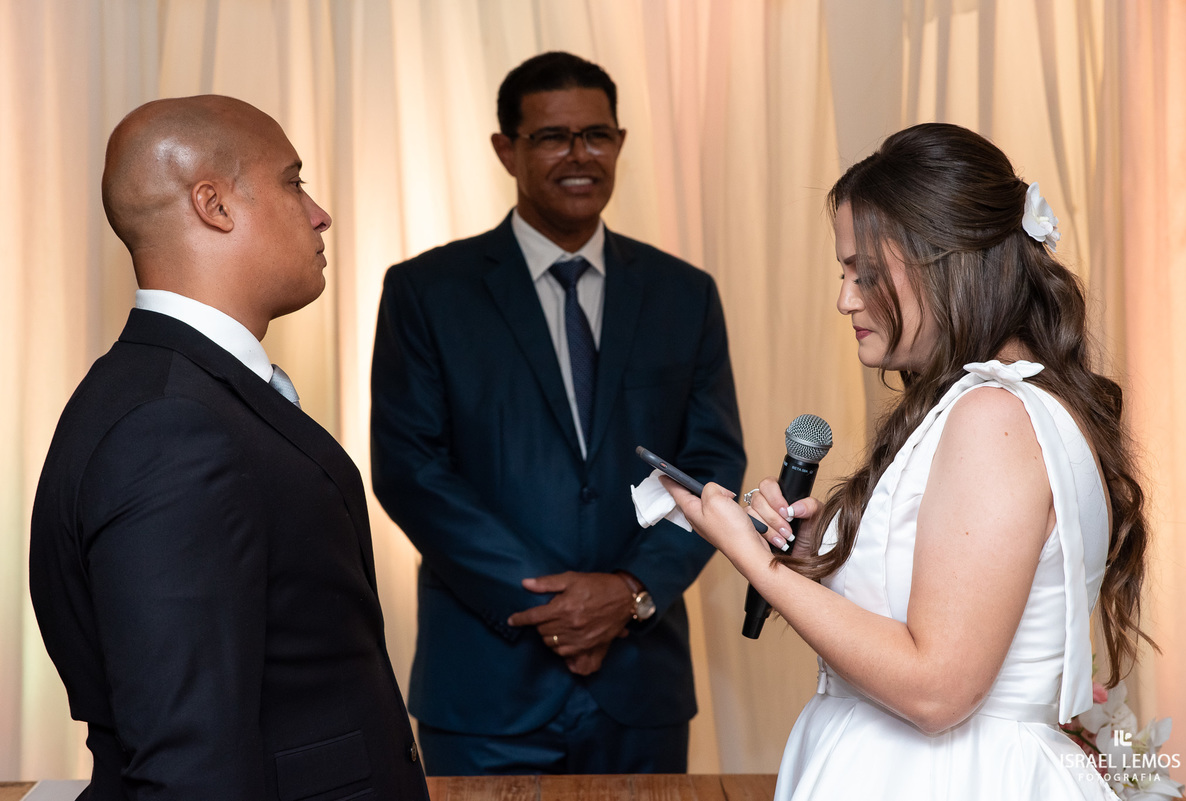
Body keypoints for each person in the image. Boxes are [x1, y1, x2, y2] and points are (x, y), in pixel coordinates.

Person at [666, 123, 1153, 799]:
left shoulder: (994, 416)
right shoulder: (988, 405)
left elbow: (935, 690)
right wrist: (812, 554)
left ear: (944, 264)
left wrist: (755, 561)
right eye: (845, 273)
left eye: (866, 273)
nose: (846, 298)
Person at [29, 95, 429, 800]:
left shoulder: (172, 393)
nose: (319, 213)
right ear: (213, 205)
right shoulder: (169, 427)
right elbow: (189, 764)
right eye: (293, 182)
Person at [370, 51, 745, 775]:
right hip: (486, 687)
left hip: (641, 683)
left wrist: (631, 590)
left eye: (597, 135)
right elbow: (411, 470)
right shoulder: (427, 292)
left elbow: (711, 466)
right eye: (551, 137)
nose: (580, 155)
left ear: (620, 143)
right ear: (505, 150)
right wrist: (558, 607)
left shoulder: (683, 293)